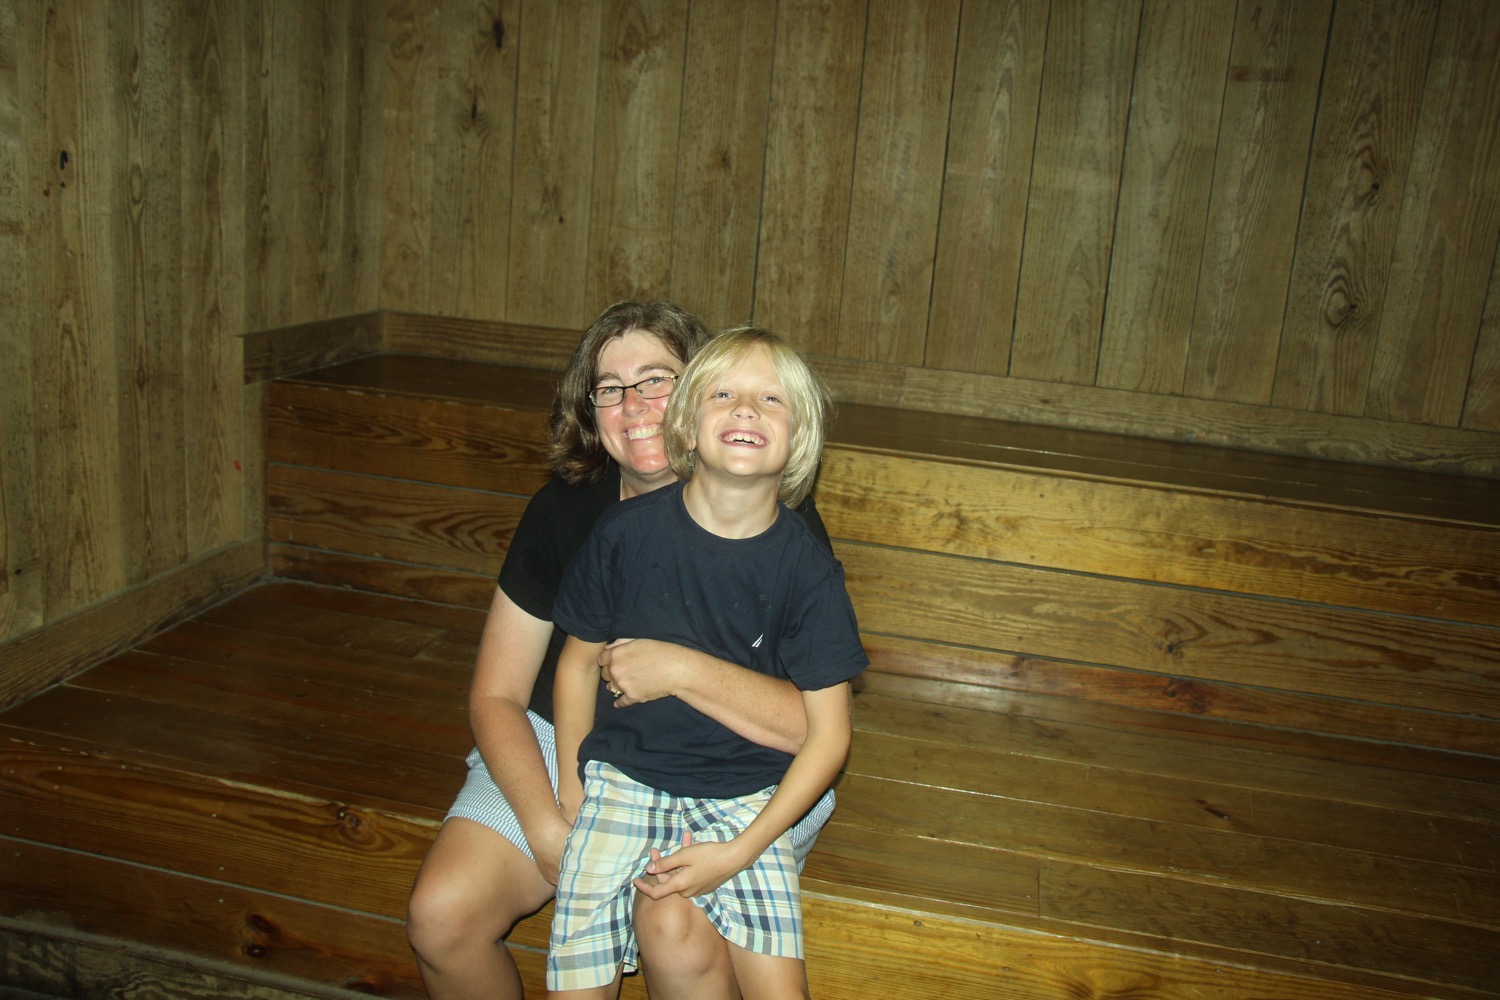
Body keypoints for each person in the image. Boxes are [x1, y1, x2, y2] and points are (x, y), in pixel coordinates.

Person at [405, 302, 838, 1000]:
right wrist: (551, 822)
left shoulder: (771, 515)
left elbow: (809, 728)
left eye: (657, 379)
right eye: (610, 388)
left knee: (674, 928)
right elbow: (497, 693)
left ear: (701, 390)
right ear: (590, 410)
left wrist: (680, 669)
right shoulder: (568, 510)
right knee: (441, 916)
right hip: (570, 747)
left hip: (732, 766)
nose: (634, 405)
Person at [547, 328, 868, 999]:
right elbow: (576, 666)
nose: (746, 408)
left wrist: (742, 850)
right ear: (687, 427)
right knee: (577, 983)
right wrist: (576, 790)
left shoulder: (808, 571)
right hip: (623, 780)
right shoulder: (624, 536)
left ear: (799, 439)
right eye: (723, 394)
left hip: (749, 795)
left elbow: (829, 735)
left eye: (771, 399)